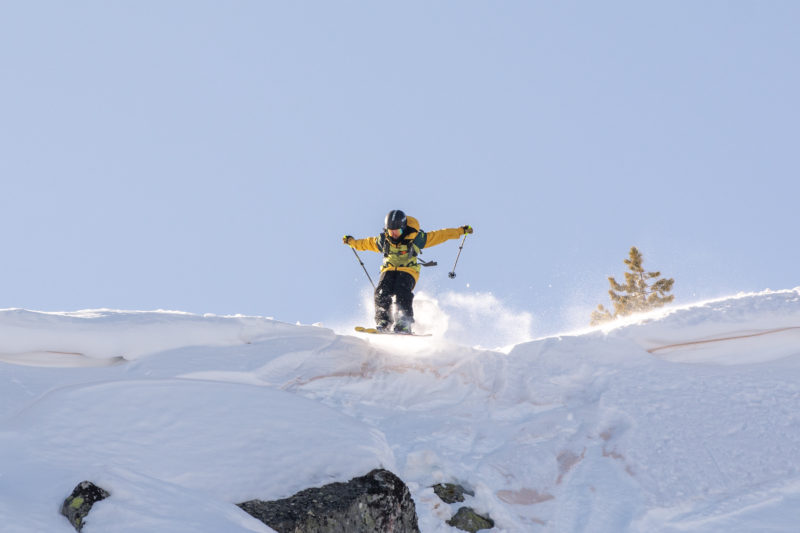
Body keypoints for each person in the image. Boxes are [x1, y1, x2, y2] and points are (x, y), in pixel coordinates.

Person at [343, 210, 473, 334]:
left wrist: (460, 231)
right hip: (389, 269)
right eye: (391, 231)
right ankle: (384, 321)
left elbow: (440, 235)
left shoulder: (416, 238)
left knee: (401, 290)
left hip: (408, 270)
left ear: (404, 228)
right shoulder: (383, 240)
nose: (394, 234)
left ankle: (404, 322)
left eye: (397, 231)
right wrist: (351, 242)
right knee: (382, 290)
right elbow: (366, 243)